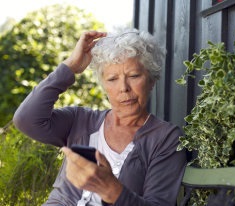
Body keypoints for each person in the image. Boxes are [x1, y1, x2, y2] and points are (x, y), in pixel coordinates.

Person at [13, 29, 187, 206]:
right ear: (103, 84)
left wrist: (112, 191)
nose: (123, 88)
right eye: (112, 79)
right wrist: (71, 66)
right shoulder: (80, 120)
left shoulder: (166, 138)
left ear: (151, 80)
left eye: (134, 76)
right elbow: (26, 120)